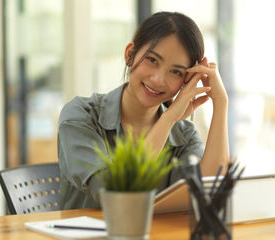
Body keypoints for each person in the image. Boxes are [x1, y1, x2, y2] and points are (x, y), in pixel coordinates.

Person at [57, 11, 229, 210]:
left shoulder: (182, 133)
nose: (158, 79)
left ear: (186, 81)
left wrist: (221, 104)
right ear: (130, 55)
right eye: (152, 60)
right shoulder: (80, 116)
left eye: (175, 72)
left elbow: (209, 193)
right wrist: (168, 118)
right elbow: (116, 193)